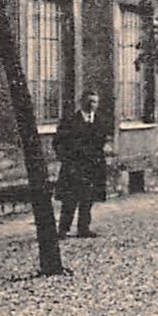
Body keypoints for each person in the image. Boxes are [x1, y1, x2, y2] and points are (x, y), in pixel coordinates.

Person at [55, 91, 111, 238]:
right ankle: (63, 229)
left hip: (93, 167)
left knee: (88, 199)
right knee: (70, 200)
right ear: (81, 103)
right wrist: (67, 160)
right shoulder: (70, 121)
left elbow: (102, 142)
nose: (92, 105)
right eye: (89, 102)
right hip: (74, 167)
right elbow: (58, 143)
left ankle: (83, 228)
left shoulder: (100, 121)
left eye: (95, 102)